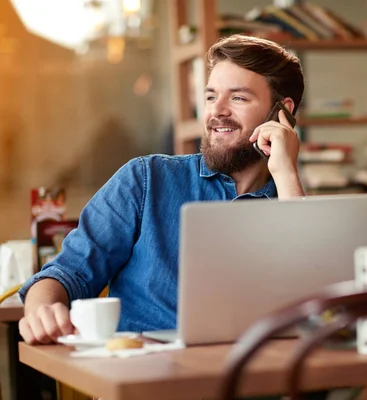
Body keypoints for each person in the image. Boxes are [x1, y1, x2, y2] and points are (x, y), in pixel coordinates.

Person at [18, 34, 306, 344]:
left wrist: (286, 173)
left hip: (251, 380)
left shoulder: (291, 201)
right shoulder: (145, 180)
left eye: (237, 98)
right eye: (210, 97)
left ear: (282, 112)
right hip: (145, 377)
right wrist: (42, 310)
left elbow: (316, 308)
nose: (216, 112)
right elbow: (68, 272)